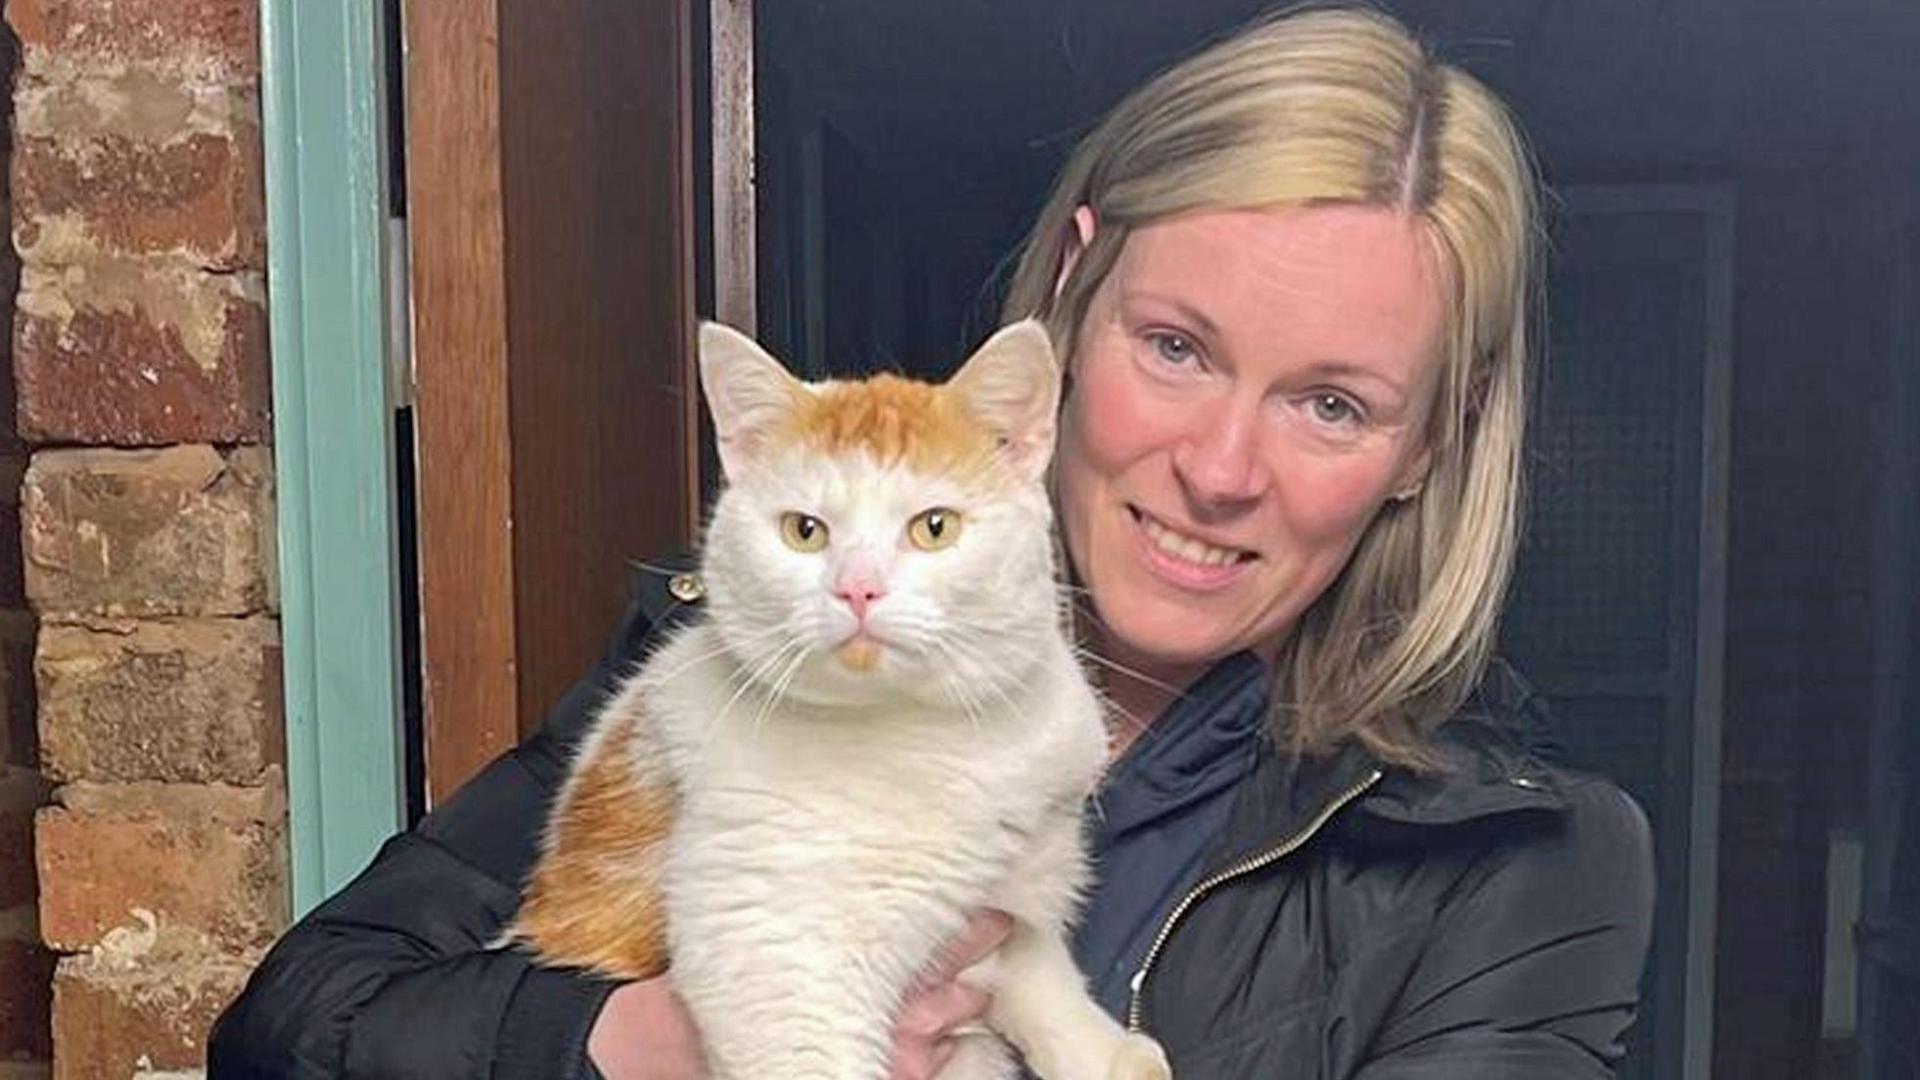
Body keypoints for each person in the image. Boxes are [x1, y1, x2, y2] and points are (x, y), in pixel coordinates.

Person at [210, 5, 1654, 1078]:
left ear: (1429, 447)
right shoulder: (728, 659)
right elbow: (292, 1024)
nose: (1219, 468)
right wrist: (646, 1041)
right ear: (1073, 305)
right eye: (1175, 346)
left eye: (1333, 403)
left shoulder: (1521, 862)